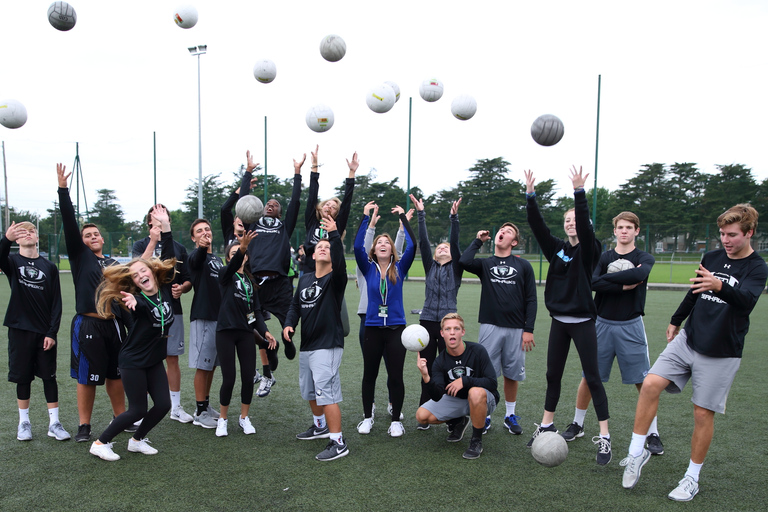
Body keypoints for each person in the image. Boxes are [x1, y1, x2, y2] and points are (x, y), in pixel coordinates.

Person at [620, 204, 767, 502]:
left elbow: (747, 301)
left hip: (722, 351)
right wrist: (676, 320)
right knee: (649, 384)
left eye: (733, 235)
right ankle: (636, 453)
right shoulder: (711, 256)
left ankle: (691, 478)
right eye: (722, 234)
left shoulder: (758, 267)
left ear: (749, 233)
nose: (725, 240)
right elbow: (695, 291)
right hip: (689, 339)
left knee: (702, 413)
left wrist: (720, 285)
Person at [525, 166, 612, 465]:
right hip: (559, 322)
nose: (571, 223)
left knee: (593, 377)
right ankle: (546, 423)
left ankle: (605, 437)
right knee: (553, 375)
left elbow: (587, 232)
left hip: (583, 322)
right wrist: (531, 197)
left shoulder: (590, 250)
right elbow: (537, 227)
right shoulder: (558, 250)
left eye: (575, 219)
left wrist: (579, 193)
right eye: (567, 220)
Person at [561, 212, 662, 454]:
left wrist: (608, 280)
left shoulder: (644, 257)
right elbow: (592, 282)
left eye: (629, 227)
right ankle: (578, 423)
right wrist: (622, 284)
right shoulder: (604, 256)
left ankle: (653, 433)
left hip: (631, 325)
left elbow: (639, 274)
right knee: (589, 376)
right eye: (620, 227)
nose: (624, 231)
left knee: (643, 382)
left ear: (637, 231)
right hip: (602, 324)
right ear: (614, 231)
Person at [89, 205, 176, 461]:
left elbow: (170, 254)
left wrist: (166, 227)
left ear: (152, 271)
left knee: (163, 405)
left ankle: (137, 440)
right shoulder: (135, 301)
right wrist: (134, 305)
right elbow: (138, 311)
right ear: (135, 283)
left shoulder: (165, 290)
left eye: (144, 271)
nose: (141, 276)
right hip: (133, 361)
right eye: (136, 276)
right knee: (138, 409)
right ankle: (100, 442)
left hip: (152, 359)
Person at [57, 163, 128, 443]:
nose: (92, 237)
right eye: (87, 235)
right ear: (82, 242)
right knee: (87, 378)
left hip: (113, 325)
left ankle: (121, 417)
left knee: (116, 374)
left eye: (95, 234)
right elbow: (69, 221)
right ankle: (84, 426)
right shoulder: (80, 256)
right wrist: (63, 190)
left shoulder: (111, 262)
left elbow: (137, 267)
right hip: (88, 323)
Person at [459, 220, 536, 437]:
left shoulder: (524, 266)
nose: (503, 232)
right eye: (502, 229)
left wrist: (528, 329)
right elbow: (464, 261)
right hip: (490, 326)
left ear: (514, 241)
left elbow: (531, 299)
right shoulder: (486, 264)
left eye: (508, 231)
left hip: (516, 329)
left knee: (512, 374)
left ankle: (510, 416)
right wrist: (477, 241)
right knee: (487, 373)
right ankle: (487, 414)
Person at [283, 214, 349, 461]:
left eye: (328, 247)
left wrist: (334, 234)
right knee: (310, 391)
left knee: (327, 393)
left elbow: (340, 262)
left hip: (328, 345)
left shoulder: (336, 279)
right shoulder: (306, 278)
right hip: (307, 345)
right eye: (319, 247)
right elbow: (295, 306)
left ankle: (338, 442)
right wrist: (289, 325)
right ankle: (319, 426)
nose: (323, 249)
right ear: (312, 255)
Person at [240, 150, 304, 397]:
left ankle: (287, 340)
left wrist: (297, 173)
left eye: (275, 205)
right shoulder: (252, 224)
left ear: (279, 213)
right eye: (268, 204)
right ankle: (271, 347)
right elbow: (244, 200)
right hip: (256, 284)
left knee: (289, 319)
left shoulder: (284, 227)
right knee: (253, 324)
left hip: (279, 284)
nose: (271, 205)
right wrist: (248, 172)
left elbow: (296, 202)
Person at [1, 221, 69, 442]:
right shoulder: (12, 262)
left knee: (49, 377)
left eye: (32, 231)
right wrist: (6, 239)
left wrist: (52, 332)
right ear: (17, 240)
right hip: (20, 330)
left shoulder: (49, 267)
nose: (28, 234)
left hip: (44, 333)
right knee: (23, 378)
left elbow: (56, 303)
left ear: (37, 238)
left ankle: (54, 424)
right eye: (23, 232)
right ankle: (24, 423)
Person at [354, 204, 416, 438]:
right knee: (369, 375)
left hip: (396, 329)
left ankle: (396, 421)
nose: (383, 244)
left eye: (387, 243)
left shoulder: (400, 267)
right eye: (379, 242)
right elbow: (356, 245)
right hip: (372, 328)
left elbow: (414, 245)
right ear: (374, 250)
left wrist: (403, 218)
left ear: (392, 250)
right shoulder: (367, 267)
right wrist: (365, 217)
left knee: (396, 376)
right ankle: (367, 417)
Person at [132, 204, 193, 424]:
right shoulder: (141, 244)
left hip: (171, 310)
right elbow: (135, 268)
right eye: (156, 216)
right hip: (144, 311)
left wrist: (182, 288)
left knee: (172, 358)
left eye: (164, 216)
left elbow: (187, 278)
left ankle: (175, 407)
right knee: (144, 358)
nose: (159, 219)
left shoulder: (177, 247)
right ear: (149, 221)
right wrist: (152, 241)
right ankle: (140, 409)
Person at [215, 231, 276, 437]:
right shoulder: (225, 274)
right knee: (229, 378)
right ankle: (222, 420)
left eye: (240, 253)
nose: (236, 257)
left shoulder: (251, 282)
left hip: (245, 333)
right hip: (225, 332)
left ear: (247, 257)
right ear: (228, 258)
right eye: (232, 254)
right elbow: (233, 266)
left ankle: (244, 418)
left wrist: (265, 332)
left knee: (248, 377)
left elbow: (256, 312)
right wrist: (241, 248)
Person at [409, 194, 464, 422]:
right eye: (439, 247)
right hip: (428, 322)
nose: (442, 248)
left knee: (449, 368)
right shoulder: (429, 266)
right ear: (434, 254)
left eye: (446, 247)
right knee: (427, 368)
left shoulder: (457, 267)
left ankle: (452, 413)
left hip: (448, 323)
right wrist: (421, 215)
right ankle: (427, 407)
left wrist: (454, 218)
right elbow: (423, 240)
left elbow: (456, 242)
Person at [415, 313, 500, 459]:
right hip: (458, 401)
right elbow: (437, 395)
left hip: (484, 399)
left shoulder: (477, 351)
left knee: (475, 392)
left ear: (463, 332)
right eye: (448, 329)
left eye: (456, 328)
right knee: (422, 416)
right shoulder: (440, 361)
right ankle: (459, 420)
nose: (452, 332)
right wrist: (425, 376)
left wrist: (465, 381)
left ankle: (476, 441)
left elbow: (492, 382)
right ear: (442, 333)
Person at [188, 219, 223, 428]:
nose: (204, 233)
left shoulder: (216, 258)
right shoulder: (196, 256)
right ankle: (200, 411)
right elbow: (195, 260)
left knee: (211, 366)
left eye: (207, 229)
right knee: (203, 366)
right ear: (193, 238)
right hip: (204, 316)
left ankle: (206, 405)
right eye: (199, 231)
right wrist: (201, 246)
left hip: (219, 318)